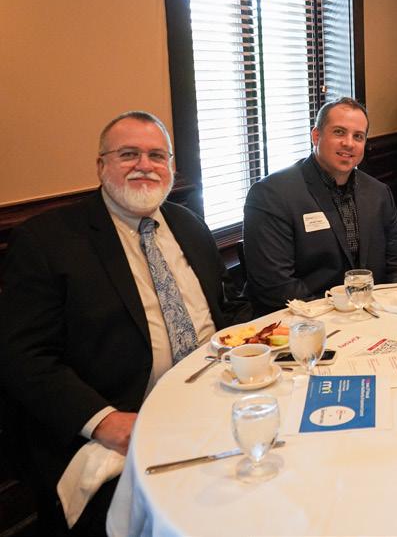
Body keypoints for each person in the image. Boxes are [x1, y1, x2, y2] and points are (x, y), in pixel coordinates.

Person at [0, 112, 251, 535]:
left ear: (171, 166)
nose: (144, 165)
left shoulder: (188, 224)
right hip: (123, 418)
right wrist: (104, 421)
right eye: (128, 154)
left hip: (217, 396)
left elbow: (227, 307)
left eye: (157, 156)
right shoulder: (48, 241)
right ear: (101, 165)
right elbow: (23, 357)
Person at [243, 97, 397, 316]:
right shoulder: (272, 194)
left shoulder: (379, 192)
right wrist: (341, 311)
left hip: (374, 316)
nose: (349, 143)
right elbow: (276, 287)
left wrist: (394, 310)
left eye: (358, 136)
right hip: (302, 321)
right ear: (316, 136)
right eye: (339, 132)